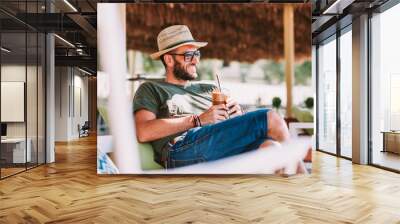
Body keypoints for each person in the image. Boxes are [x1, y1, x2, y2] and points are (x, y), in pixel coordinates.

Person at [133, 25, 290, 169]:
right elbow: (143, 131)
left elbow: (225, 126)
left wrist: (237, 114)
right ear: (169, 59)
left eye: (197, 54)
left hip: (218, 145)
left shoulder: (209, 88)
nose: (196, 60)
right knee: (271, 118)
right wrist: (197, 120)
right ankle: (304, 186)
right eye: (188, 55)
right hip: (180, 150)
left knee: (271, 149)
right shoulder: (152, 88)